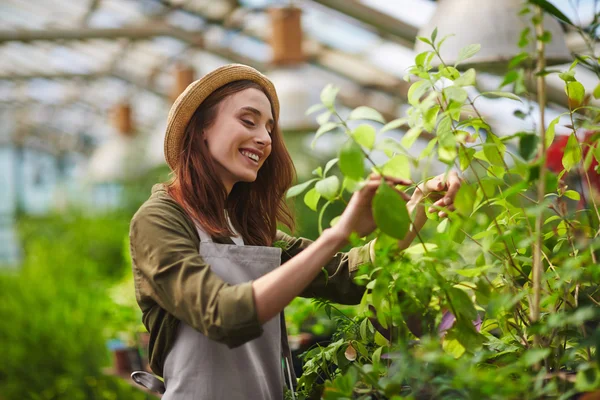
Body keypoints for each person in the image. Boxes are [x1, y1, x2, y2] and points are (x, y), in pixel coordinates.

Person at [128, 64, 461, 399]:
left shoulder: (247, 227)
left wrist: (419, 205)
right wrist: (337, 233)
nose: (265, 138)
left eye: (269, 128)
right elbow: (222, 315)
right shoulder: (160, 220)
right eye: (248, 120)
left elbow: (346, 277)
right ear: (201, 127)